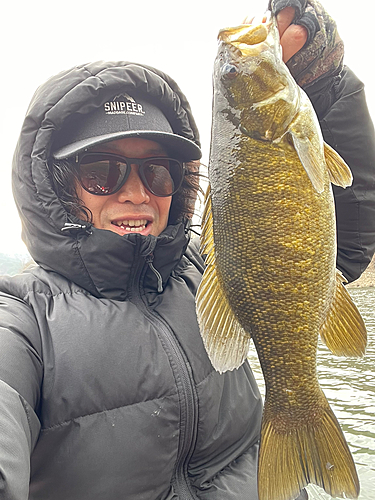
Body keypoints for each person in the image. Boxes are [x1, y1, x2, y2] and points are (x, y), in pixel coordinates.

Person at [0, 1, 374, 499]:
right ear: (61, 185)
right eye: (101, 172)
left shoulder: (204, 268)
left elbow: (342, 243)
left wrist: (326, 85)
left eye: (158, 172)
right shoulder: (22, 321)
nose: (135, 193)